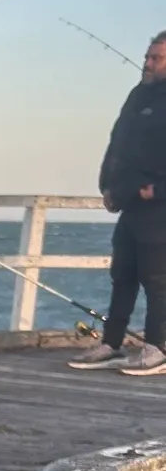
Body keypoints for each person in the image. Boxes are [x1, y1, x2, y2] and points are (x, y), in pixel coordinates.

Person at [70, 31, 166, 376]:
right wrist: (108, 186)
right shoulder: (138, 96)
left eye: (157, 58)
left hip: (158, 208)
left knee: (157, 280)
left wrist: (157, 191)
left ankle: (157, 349)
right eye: (148, 56)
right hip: (129, 202)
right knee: (122, 275)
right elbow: (117, 143)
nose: (148, 63)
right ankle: (111, 344)